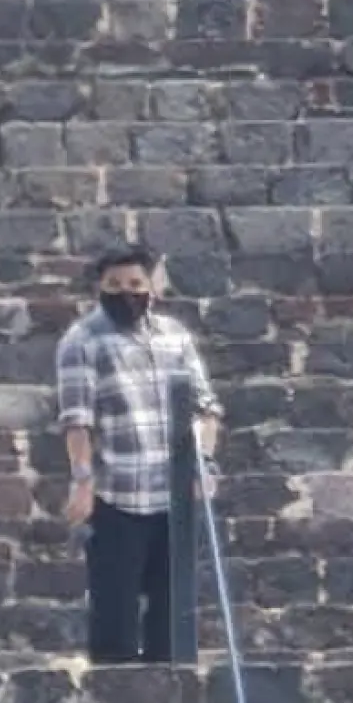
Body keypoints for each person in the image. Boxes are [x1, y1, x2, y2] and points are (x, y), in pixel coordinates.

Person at [54, 246, 222, 664]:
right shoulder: (82, 341)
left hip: (174, 498)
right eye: (114, 285)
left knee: (173, 619)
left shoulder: (174, 337)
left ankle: (173, 694)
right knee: (115, 621)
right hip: (117, 497)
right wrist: (82, 481)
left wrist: (204, 463)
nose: (125, 293)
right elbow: (77, 420)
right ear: (99, 288)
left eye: (134, 284)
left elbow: (206, 407)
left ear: (152, 287)